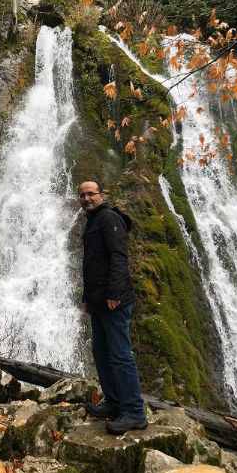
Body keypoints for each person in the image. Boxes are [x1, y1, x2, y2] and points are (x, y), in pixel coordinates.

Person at [79, 179, 147, 435]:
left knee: (120, 355)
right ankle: (114, 402)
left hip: (113, 301)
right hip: (98, 303)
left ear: (101, 194)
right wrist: (87, 298)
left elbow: (119, 256)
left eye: (91, 194)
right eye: (82, 195)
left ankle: (134, 412)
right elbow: (92, 265)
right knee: (101, 352)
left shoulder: (109, 218)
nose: (86, 199)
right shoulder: (93, 221)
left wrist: (115, 292)